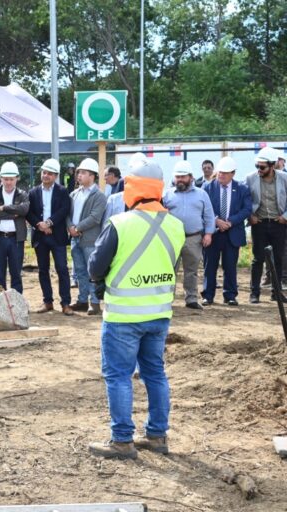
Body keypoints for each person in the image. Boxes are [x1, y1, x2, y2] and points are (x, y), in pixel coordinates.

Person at [86, 162, 185, 460]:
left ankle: (122, 441)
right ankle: (157, 435)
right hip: (159, 315)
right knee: (155, 373)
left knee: (118, 376)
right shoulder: (176, 226)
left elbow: (95, 268)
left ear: (133, 188)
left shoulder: (120, 224)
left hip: (123, 317)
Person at [163, 161, 215, 310]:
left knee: (191, 271)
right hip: (171, 239)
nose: (180, 179)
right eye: (177, 177)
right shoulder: (166, 195)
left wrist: (208, 234)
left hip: (193, 238)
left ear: (191, 177)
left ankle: (191, 299)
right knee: (169, 270)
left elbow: (209, 216)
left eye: (183, 177)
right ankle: (167, 299)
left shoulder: (202, 194)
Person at [201, 156, 252, 306]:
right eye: (220, 172)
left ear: (233, 173)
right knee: (210, 266)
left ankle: (230, 295)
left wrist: (231, 221)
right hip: (213, 233)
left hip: (232, 233)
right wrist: (216, 220)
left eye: (225, 173)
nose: (221, 175)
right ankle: (208, 295)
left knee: (230, 266)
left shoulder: (242, 188)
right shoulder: (207, 188)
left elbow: (247, 209)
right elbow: (202, 208)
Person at [27, 158, 73, 315]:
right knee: (43, 269)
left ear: (56, 176)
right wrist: (39, 225)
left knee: (62, 268)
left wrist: (49, 223)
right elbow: (29, 213)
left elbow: (64, 209)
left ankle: (65, 303)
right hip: (40, 237)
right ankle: (47, 302)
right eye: (44, 172)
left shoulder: (62, 191)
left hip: (57, 235)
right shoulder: (33, 192)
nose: (46, 175)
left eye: (50, 174)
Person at [246, 146, 287, 303]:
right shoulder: (250, 178)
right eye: (257, 166)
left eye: (262, 167)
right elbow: (244, 200)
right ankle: (254, 293)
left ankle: (276, 292)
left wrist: (285, 217)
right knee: (258, 259)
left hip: (278, 224)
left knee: (278, 259)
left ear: (272, 165)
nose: (259, 169)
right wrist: (250, 216)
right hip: (259, 224)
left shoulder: (284, 178)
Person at [67, 158, 107, 315]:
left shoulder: (99, 196)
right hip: (75, 239)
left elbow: (95, 217)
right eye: (79, 172)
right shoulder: (74, 194)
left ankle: (95, 303)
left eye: (83, 173)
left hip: (90, 239)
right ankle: (82, 300)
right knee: (79, 271)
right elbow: (67, 214)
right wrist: (71, 227)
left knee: (92, 272)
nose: (79, 175)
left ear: (92, 175)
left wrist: (77, 228)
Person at [0, 162, 29, 294]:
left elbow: (24, 210)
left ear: (17, 178)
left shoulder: (22, 194)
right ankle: (1, 301)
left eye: (11, 179)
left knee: (16, 272)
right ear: (1, 178)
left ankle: (16, 301)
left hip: (16, 239)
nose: (8, 182)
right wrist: (14, 213)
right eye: (6, 179)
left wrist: (5, 208)